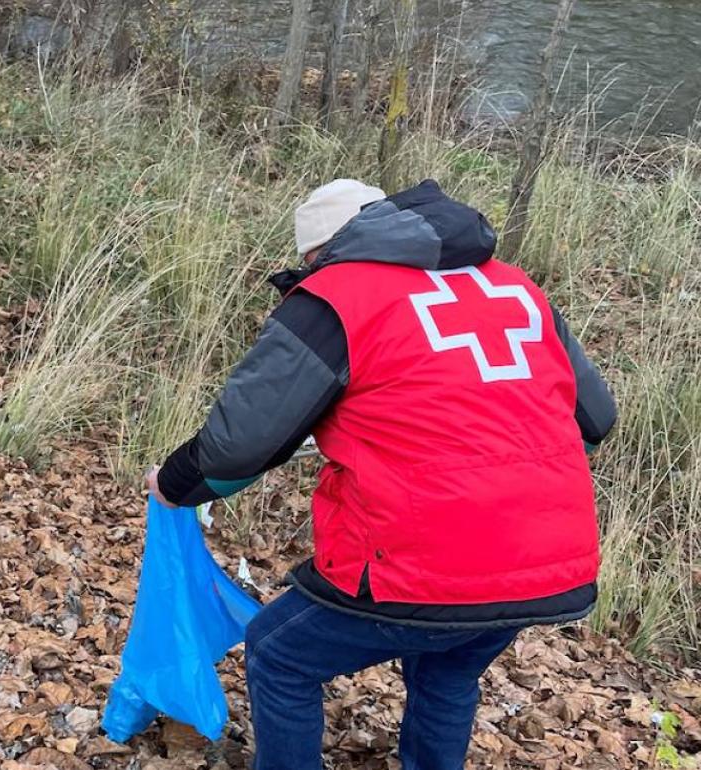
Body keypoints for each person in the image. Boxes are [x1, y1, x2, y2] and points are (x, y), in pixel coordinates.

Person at [147, 179, 617, 770]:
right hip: (552, 563)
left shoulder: (334, 297)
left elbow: (240, 445)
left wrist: (173, 484)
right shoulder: (516, 286)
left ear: (320, 253)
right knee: (448, 670)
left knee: (280, 653)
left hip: (424, 562)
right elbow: (596, 421)